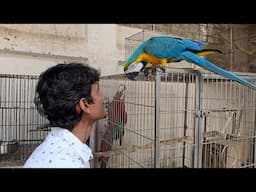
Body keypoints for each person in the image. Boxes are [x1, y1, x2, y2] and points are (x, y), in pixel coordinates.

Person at [23, 63, 107, 168]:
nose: (103, 97)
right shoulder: (68, 162)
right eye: (98, 92)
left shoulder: (58, 147)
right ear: (85, 105)